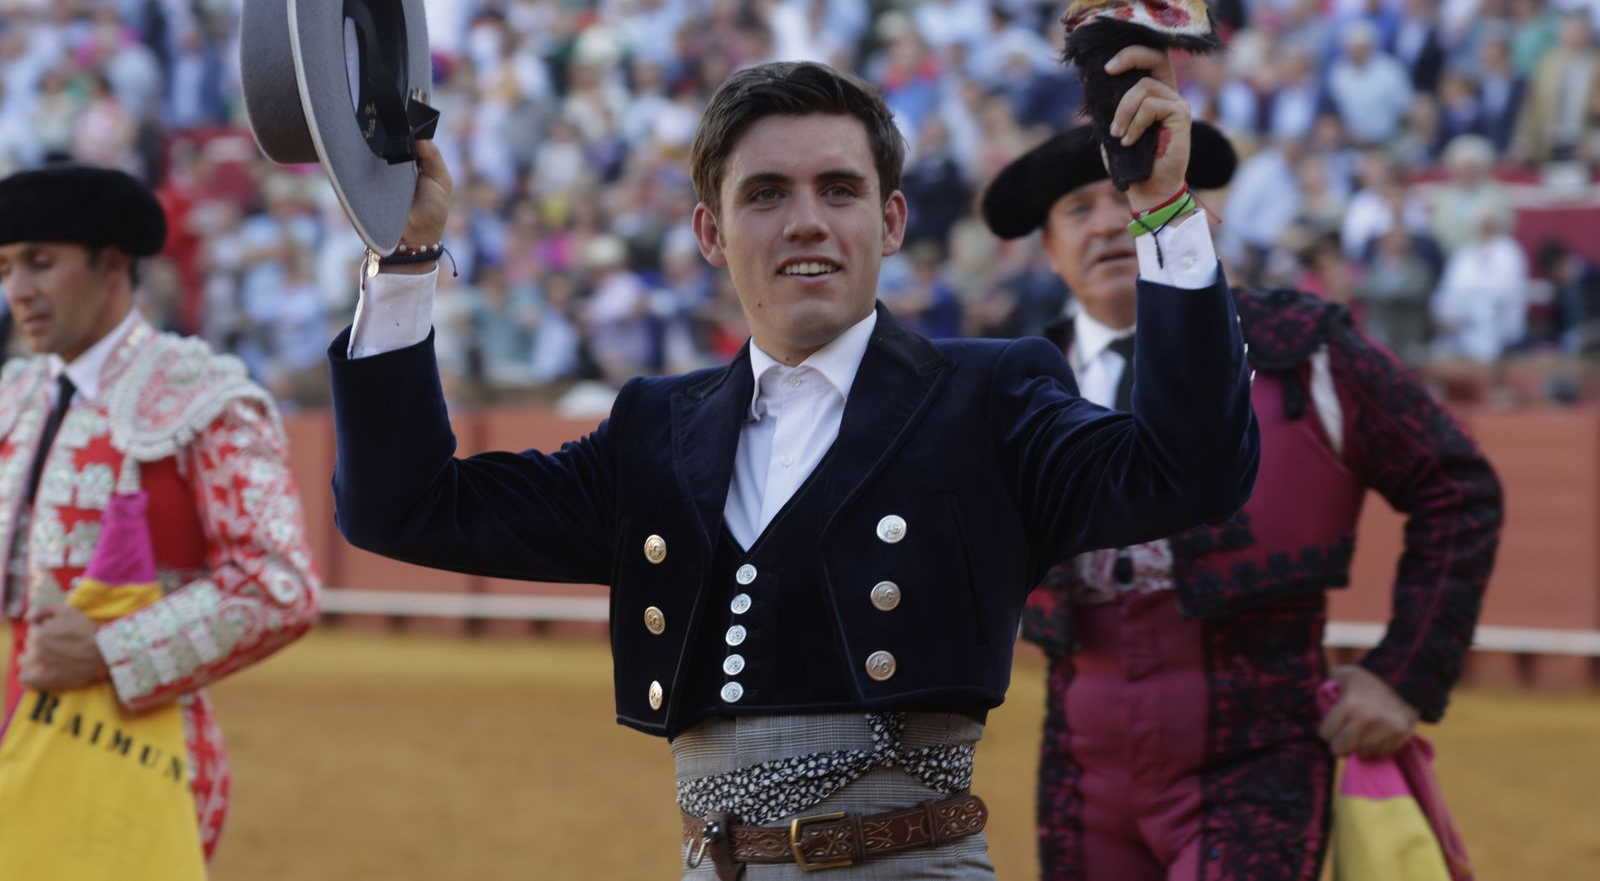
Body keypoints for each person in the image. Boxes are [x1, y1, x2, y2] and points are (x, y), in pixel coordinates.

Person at [327, 52, 1258, 878]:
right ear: (710, 234)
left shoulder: (992, 395)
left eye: (839, 191)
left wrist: (1165, 214)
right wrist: (405, 262)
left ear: (891, 222)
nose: (807, 222)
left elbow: (1189, 471)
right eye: (766, 194)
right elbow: (402, 507)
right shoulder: (656, 427)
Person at [979, 124, 1503, 880]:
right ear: (1049, 248)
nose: (1106, 224)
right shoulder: (1017, 386)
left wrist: (1404, 673)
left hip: (1258, 764)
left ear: (1182, 211)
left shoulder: (1303, 347)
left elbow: (1457, 486)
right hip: (1082, 770)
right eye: (1077, 210)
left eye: (1127, 197)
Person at [0, 164, 320, 859]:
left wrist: (111, 649)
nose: (17, 290)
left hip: (135, 749)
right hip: (11, 730)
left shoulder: (203, 397)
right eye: (5, 268)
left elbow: (278, 584)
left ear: (113, 264)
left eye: (40, 263)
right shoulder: (12, 397)